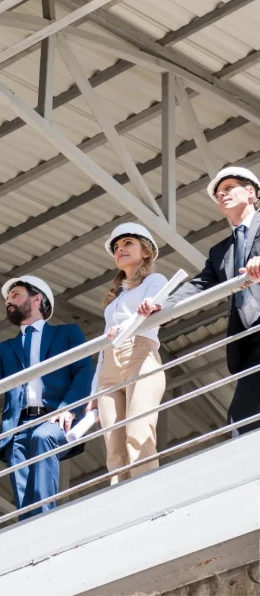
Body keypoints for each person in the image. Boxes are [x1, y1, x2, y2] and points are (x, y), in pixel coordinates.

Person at [0, 276, 93, 520]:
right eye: (8, 298)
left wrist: (68, 408)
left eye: (15, 294)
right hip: (18, 425)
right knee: (22, 488)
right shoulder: (5, 349)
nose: (8, 301)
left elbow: (84, 371)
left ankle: (46, 520)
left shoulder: (67, 333)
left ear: (37, 298)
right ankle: (29, 526)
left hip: (55, 416)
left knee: (43, 437)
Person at [137, 166, 260, 434]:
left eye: (228, 189)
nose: (222, 195)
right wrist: (162, 305)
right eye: (218, 194)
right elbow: (199, 285)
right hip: (250, 340)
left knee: (243, 419)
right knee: (242, 419)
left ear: (251, 192)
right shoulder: (221, 252)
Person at [88, 223, 167, 484]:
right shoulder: (115, 297)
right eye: (116, 247)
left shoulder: (155, 281)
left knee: (138, 429)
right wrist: (94, 392)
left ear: (146, 251)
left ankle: (146, 492)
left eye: (128, 244)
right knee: (113, 443)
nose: (120, 249)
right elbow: (103, 343)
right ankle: (121, 498)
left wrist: (143, 312)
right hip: (109, 365)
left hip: (139, 352)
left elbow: (157, 312)